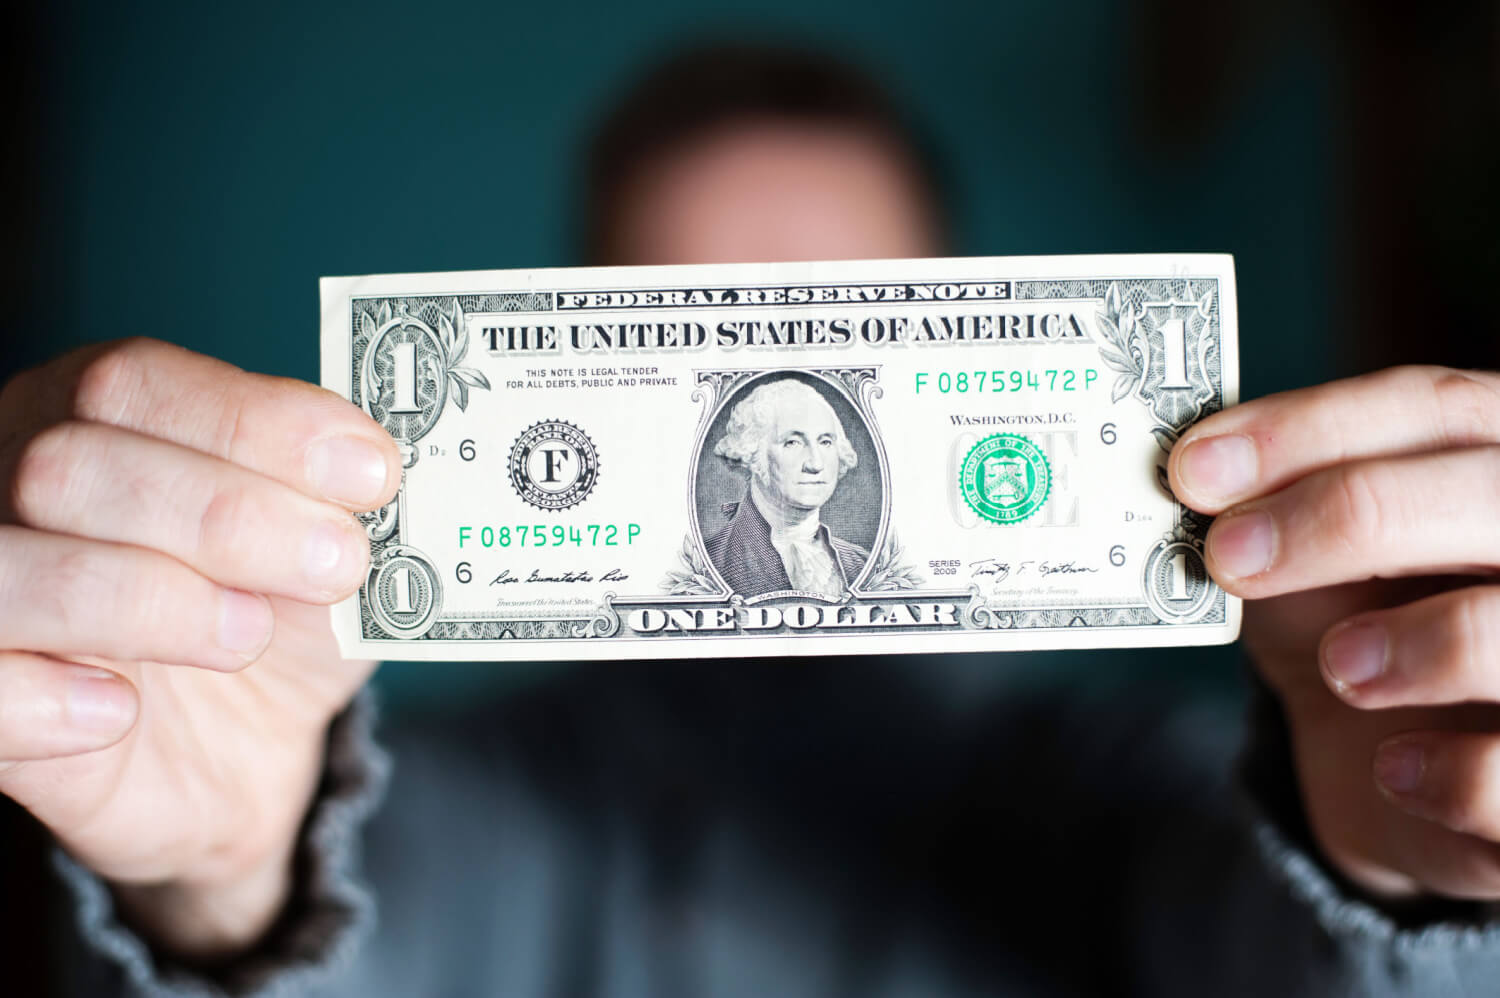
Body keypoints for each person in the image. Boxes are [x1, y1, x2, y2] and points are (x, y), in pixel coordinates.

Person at [4, 42, 1500, 997]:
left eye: (851, 331)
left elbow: (1270, 960)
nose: (785, 410)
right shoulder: (440, 809)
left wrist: (1386, 852)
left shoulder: (1135, 788)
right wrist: (221, 888)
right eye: (685, 331)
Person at [706, 377, 869, 599]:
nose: (815, 464)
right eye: (792, 443)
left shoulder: (862, 563)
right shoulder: (709, 564)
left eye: (825, 442)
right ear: (753, 453)